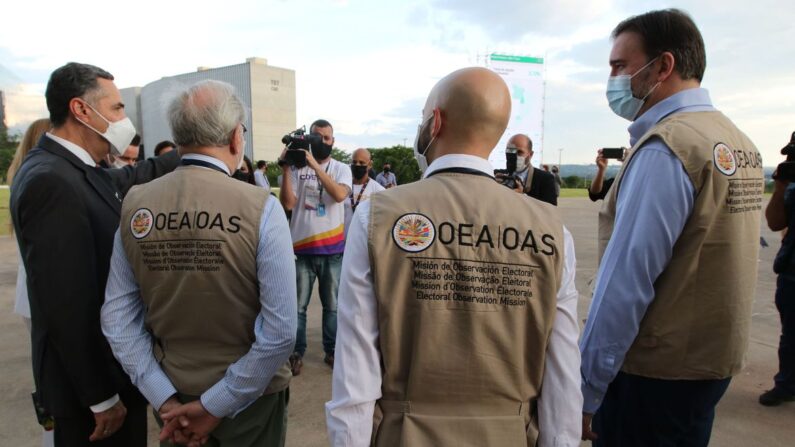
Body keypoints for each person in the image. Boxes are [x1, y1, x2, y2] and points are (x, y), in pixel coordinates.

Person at [326, 67, 582, 446]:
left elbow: (355, 379)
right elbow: (563, 379)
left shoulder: (377, 217)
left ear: (436, 122)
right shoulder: (551, 229)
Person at [579, 10, 765, 446]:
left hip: (656, 372)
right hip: (708, 363)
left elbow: (626, 281)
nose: (613, 79)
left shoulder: (669, 147)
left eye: (620, 66)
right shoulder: (737, 141)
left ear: (662, 66)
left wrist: (587, 388)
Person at [101, 80, 297, 446]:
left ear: (179, 137)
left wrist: (164, 398)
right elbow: (281, 330)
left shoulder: (136, 203)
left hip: (174, 397)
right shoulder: (260, 207)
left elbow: (118, 319)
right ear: (236, 138)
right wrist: (216, 405)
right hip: (251, 405)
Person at [10, 62, 180, 447]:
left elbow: (133, 176)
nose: (125, 118)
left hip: (113, 378)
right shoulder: (51, 181)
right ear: (81, 110)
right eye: (117, 108)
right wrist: (101, 397)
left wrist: (193, 148)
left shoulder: (75, 168)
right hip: (94, 398)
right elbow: (66, 307)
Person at [278, 119, 351, 375]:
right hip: (300, 250)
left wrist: (315, 166)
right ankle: (297, 352)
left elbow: (340, 195)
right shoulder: (296, 169)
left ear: (333, 141)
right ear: (308, 139)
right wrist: (287, 168)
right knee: (297, 307)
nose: (322, 141)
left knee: (332, 306)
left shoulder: (341, 168)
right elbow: (288, 203)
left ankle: (331, 351)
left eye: (326, 138)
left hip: (332, 251)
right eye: (316, 137)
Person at [6, 117, 55, 447]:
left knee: (47, 370)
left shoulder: (22, 176)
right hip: (41, 295)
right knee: (54, 371)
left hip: (30, 295)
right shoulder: (44, 182)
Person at [760, 136, 795, 407]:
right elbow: (774, 223)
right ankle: (786, 384)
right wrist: (781, 185)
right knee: (790, 335)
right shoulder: (791, 185)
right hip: (792, 271)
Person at [498, 133, 557, 205]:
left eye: (519, 152)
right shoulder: (498, 176)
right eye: (510, 151)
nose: (514, 156)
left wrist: (522, 197)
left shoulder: (545, 179)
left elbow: (550, 211)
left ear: (530, 154)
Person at [344, 148, 384, 238]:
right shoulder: (343, 187)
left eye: (361, 163)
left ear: (369, 165)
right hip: (342, 244)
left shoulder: (379, 191)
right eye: (354, 162)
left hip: (364, 244)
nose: (357, 165)